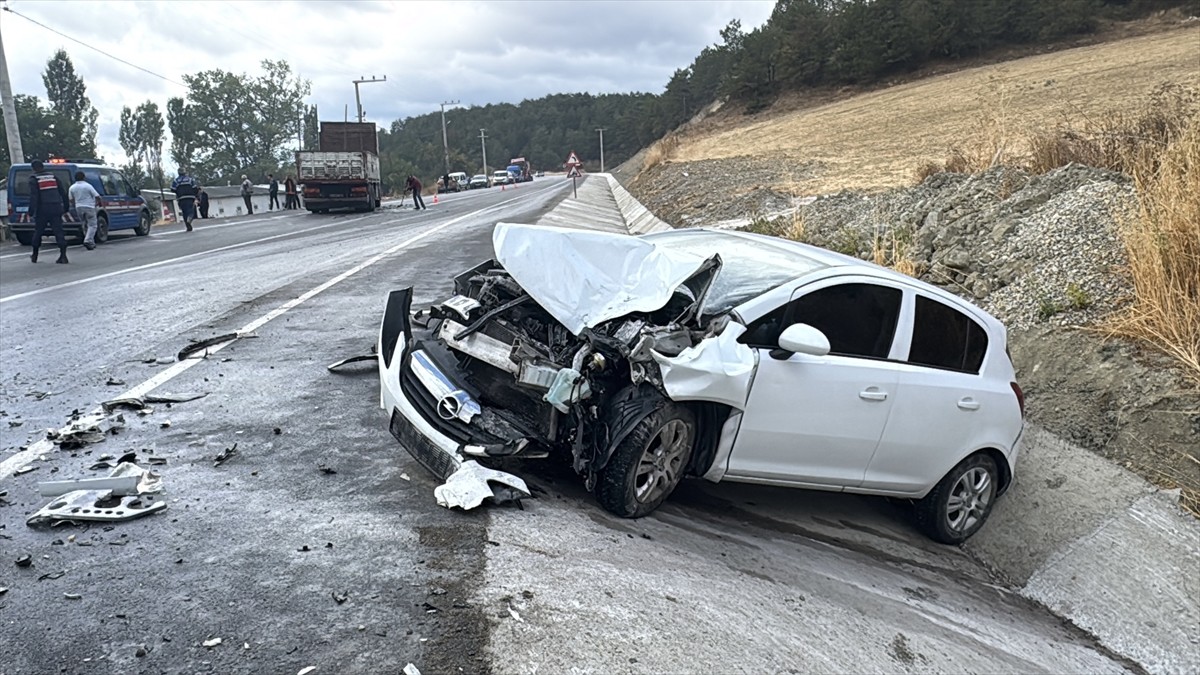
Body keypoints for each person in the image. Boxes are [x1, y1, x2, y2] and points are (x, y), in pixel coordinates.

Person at [27, 160, 70, 264]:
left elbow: (34, 196)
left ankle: (35, 255)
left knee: (38, 232)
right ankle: (63, 256)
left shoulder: (34, 179)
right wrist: (66, 207)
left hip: (42, 209)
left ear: (33, 168)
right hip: (56, 207)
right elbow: (63, 192)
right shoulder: (53, 177)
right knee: (59, 232)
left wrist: (31, 211)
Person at [69, 171, 101, 250]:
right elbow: (97, 196)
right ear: (84, 177)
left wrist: (75, 205)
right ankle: (88, 240)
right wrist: (98, 203)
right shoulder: (88, 186)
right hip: (89, 206)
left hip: (78, 207)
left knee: (84, 224)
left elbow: (71, 199)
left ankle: (91, 242)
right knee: (92, 225)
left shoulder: (72, 187)